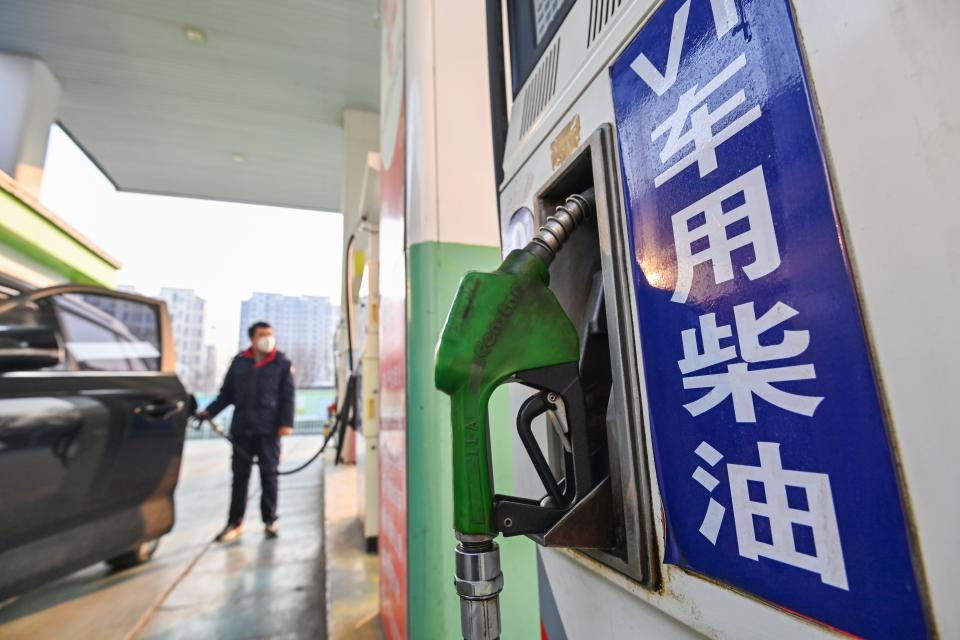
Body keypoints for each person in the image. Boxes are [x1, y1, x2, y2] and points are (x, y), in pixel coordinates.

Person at [198, 321, 295, 542]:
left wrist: (285, 423)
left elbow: (287, 396)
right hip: (242, 429)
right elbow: (227, 394)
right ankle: (235, 522)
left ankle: (270, 520)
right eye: (262, 334)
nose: (268, 338)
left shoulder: (282, 363)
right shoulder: (240, 363)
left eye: (270, 334)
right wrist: (209, 412)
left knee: (269, 476)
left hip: (269, 431)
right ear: (252, 338)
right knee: (240, 477)